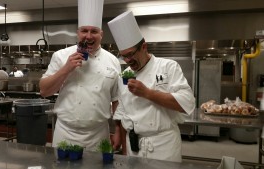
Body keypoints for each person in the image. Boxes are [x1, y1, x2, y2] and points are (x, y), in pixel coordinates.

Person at [108, 11, 195, 162]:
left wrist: (148, 93)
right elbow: (123, 117)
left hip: (163, 146)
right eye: (123, 56)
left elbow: (187, 102)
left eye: (130, 54)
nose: (127, 60)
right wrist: (124, 151)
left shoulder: (168, 67)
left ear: (144, 47)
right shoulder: (125, 75)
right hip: (133, 147)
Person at [39, 0, 121, 151]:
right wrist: (66, 69)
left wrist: (118, 130)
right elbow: (44, 91)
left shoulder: (113, 61)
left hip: (98, 134)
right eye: (84, 31)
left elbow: (116, 99)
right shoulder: (61, 56)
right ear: (78, 33)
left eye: (94, 31)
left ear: (101, 35)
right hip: (66, 133)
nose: (88, 36)